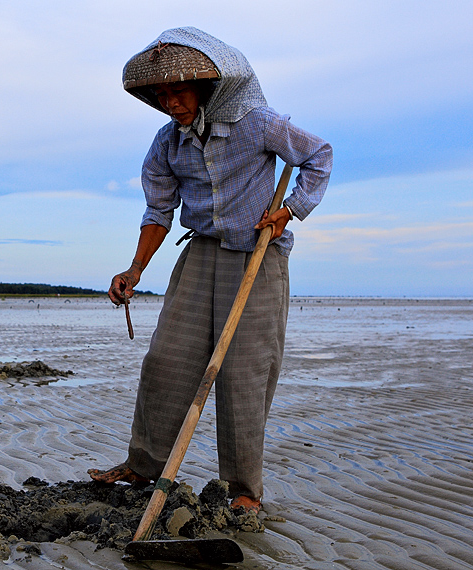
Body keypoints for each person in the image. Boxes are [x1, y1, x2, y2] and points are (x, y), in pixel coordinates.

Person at [87, 27, 332, 513]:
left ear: (205, 89)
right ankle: (143, 465)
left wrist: (291, 210)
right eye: (163, 95)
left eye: (180, 91)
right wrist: (135, 269)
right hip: (200, 253)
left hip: (258, 255)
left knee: (244, 376)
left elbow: (318, 156)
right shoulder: (166, 145)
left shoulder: (257, 124)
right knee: (165, 362)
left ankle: (243, 491)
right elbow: (159, 213)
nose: (172, 103)